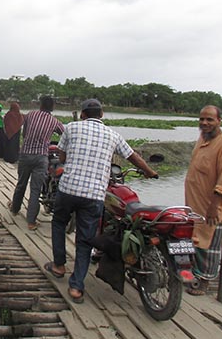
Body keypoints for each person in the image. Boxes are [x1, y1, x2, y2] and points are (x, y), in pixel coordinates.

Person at [43, 98, 158, 304]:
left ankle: (59, 265)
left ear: (83, 114)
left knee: (59, 224)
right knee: (86, 239)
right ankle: (76, 287)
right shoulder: (113, 135)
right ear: (102, 115)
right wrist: (150, 172)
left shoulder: (71, 128)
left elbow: (61, 157)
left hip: (68, 189)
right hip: (94, 195)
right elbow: (133, 156)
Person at [185, 105, 222, 296]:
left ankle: (205, 282)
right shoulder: (203, 138)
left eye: (209, 120)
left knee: (209, 244)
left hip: (210, 205)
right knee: (195, 241)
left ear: (219, 121)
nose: (204, 123)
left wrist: (214, 206)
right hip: (194, 203)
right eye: (202, 119)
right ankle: (193, 277)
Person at [9, 96, 64, 230]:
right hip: (41, 157)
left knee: (21, 183)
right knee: (36, 189)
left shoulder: (30, 115)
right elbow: (64, 134)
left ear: (40, 105)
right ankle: (31, 222)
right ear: (52, 107)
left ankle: (15, 209)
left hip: (26, 154)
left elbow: (24, 133)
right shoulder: (54, 121)